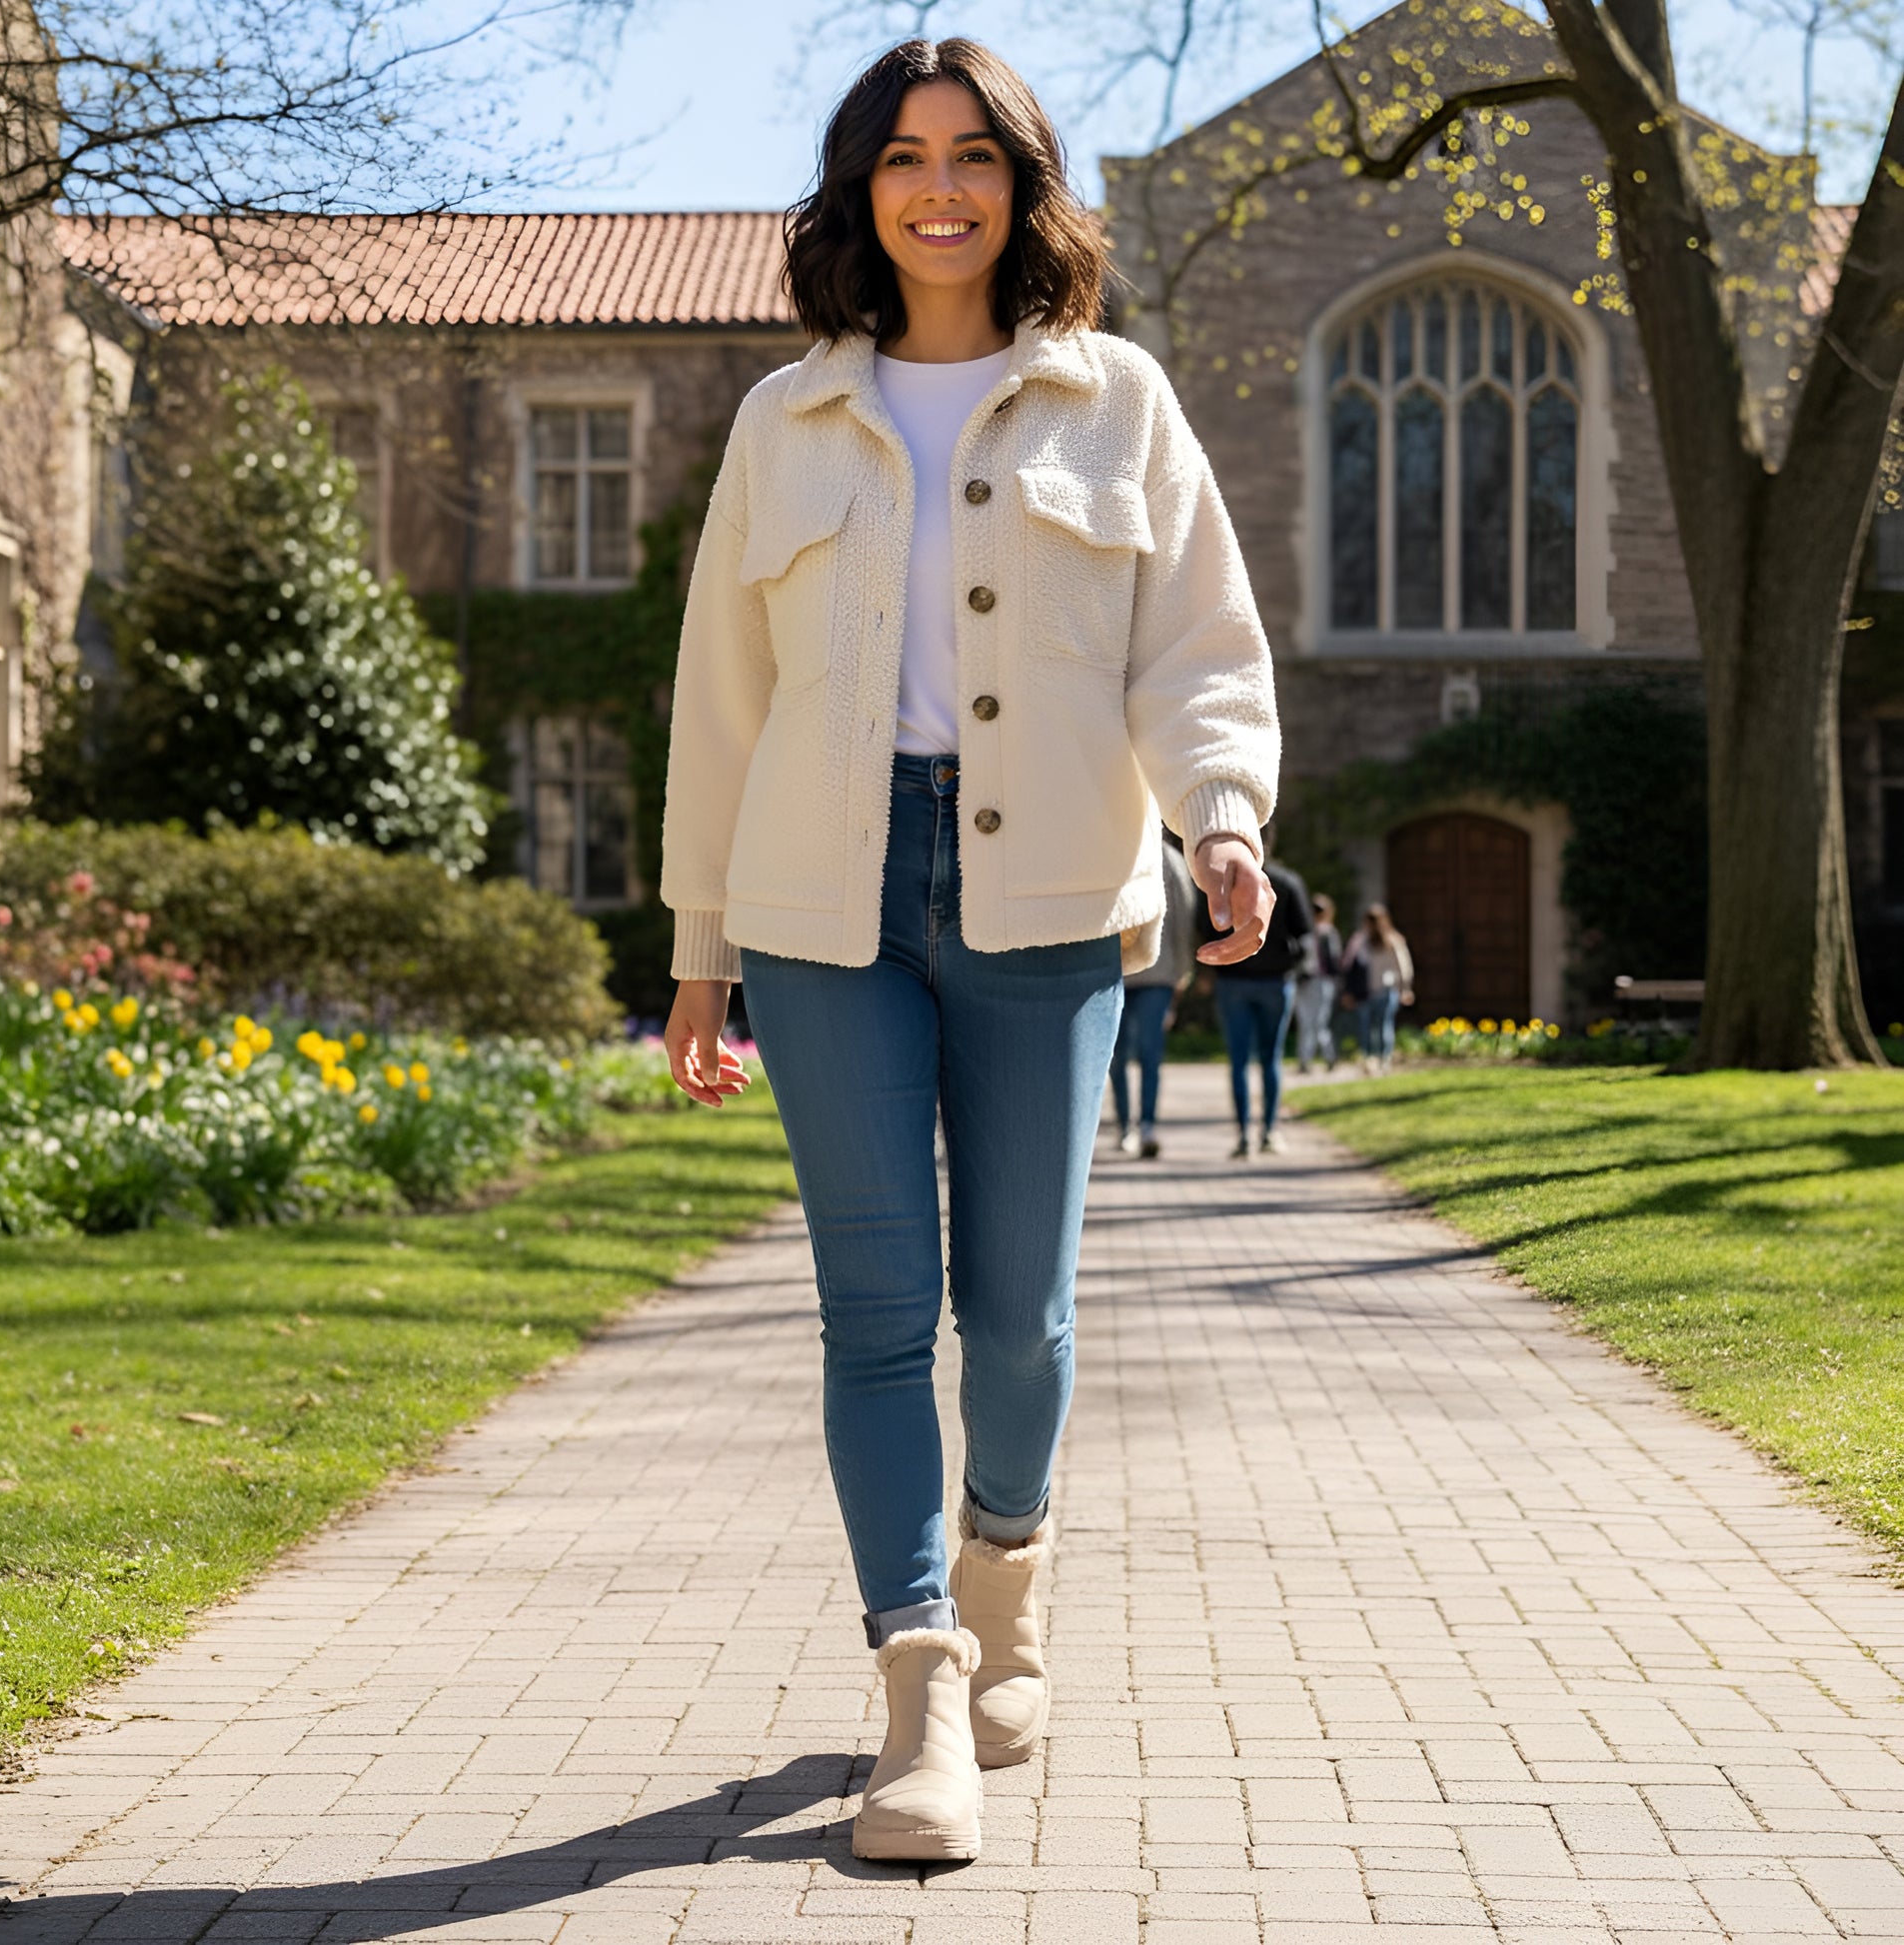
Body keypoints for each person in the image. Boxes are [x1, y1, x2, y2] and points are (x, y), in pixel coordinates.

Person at [657, 39, 1280, 1865]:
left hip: (1052, 902)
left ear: (1025, 186)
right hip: (819, 901)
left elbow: (1198, 649)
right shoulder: (784, 421)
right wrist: (702, 945)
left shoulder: (1120, 402)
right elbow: (722, 699)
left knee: (1018, 1315)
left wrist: (1222, 813)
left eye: (975, 157)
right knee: (873, 1305)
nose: (941, 189)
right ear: (860, 190)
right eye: (904, 157)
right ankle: (916, 1682)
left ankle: (1011, 1570)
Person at [1201, 846, 1311, 1155]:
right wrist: (1286, 960)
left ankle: (1243, 1135)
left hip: (1232, 981)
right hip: (1275, 982)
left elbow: (1204, 928)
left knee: (1238, 1061)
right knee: (1270, 1058)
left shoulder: (1220, 887)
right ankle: (1270, 1131)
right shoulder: (1287, 882)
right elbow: (1305, 936)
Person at [1109, 833, 1193, 1159]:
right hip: (1115, 974)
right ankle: (1124, 1126)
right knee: (1116, 1056)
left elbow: (1184, 916)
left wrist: (1182, 970)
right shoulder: (1114, 846)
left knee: (1149, 1052)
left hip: (1157, 973)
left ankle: (1146, 1124)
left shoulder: (1170, 860)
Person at [1343, 902, 1415, 1073]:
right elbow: (1404, 967)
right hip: (1377, 991)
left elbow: (1347, 965)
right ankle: (1381, 1059)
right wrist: (1405, 987)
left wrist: (1405, 988)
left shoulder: (1376, 940)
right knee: (1382, 1027)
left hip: (1375, 991)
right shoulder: (1370, 940)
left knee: (1371, 1027)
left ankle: (1374, 1059)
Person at [1294, 893, 1343, 1072]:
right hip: (1304, 981)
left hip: (1323, 981)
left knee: (1319, 1022)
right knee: (1305, 1022)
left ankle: (1329, 1056)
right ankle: (1304, 1061)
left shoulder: (1329, 933)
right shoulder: (1303, 931)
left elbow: (1334, 960)